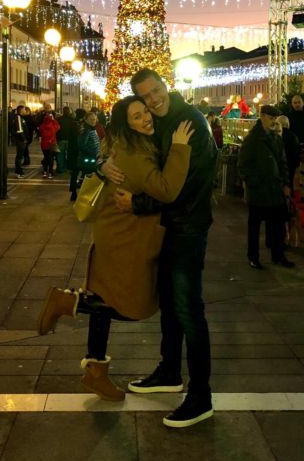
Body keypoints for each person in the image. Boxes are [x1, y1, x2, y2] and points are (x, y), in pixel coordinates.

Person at [37, 95, 193, 404]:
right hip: (125, 239)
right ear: (126, 124)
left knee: (103, 297)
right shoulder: (136, 155)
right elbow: (165, 189)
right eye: (136, 116)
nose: (145, 118)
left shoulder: (131, 147)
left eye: (145, 112)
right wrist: (180, 148)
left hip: (117, 234)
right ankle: (66, 303)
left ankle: (96, 372)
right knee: (134, 307)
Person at [108, 68, 218, 429]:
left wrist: (138, 206)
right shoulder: (156, 124)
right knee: (170, 305)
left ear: (165, 86)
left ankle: (201, 396)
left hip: (186, 227)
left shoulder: (190, 123)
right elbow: (129, 157)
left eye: (156, 91)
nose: (153, 100)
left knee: (188, 309)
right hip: (166, 228)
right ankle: (170, 371)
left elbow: (187, 186)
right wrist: (103, 165)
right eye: (146, 96)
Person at [238, 105, 294, 270]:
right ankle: (253, 257)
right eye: (271, 118)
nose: (273, 122)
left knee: (278, 226)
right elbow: (243, 166)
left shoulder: (276, 138)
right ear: (262, 117)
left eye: (275, 119)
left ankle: (278, 255)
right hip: (259, 191)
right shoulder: (252, 140)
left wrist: (285, 183)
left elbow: (283, 162)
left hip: (276, 190)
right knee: (254, 227)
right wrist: (255, 182)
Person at [38, 112, 60, 178]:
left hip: (44, 144)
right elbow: (58, 126)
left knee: (46, 158)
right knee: (51, 159)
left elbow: (40, 131)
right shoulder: (53, 126)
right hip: (51, 144)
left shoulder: (42, 126)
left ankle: (45, 172)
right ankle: (50, 173)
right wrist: (53, 120)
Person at [12, 105, 29, 178]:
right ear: (21, 110)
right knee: (19, 156)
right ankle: (18, 171)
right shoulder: (18, 117)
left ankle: (19, 170)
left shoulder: (21, 117)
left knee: (20, 156)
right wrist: (24, 139)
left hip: (21, 140)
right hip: (20, 140)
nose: (25, 111)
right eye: (24, 109)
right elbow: (19, 129)